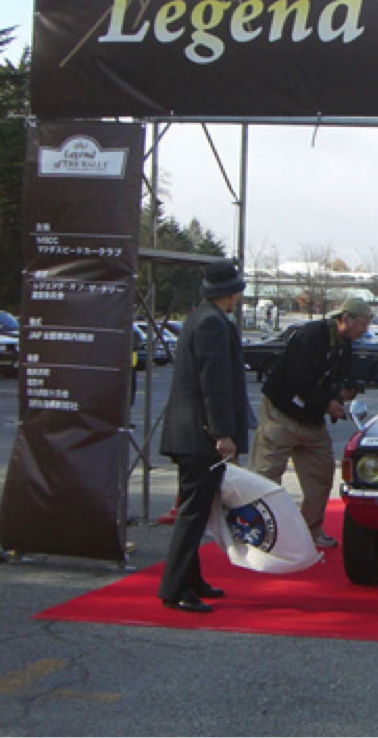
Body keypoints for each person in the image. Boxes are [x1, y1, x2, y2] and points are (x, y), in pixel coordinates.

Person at [157, 259, 250, 614]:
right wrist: (223, 434)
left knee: (194, 510)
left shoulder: (199, 318)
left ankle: (191, 579)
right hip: (201, 436)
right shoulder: (213, 324)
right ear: (230, 293)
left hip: (190, 432)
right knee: (193, 514)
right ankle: (176, 588)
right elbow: (215, 385)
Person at [249, 297, 372, 549]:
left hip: (311, 418)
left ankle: (310, 531)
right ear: (345, 318)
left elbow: (337, 378)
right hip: (282, 412)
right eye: (363, 323)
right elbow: (299, 378)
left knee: (321, 475)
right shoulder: (311, 335)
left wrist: (343, 392)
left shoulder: (345, 345)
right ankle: (261, 532)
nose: (365, 330)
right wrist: (327, 403)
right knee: (267, 473)